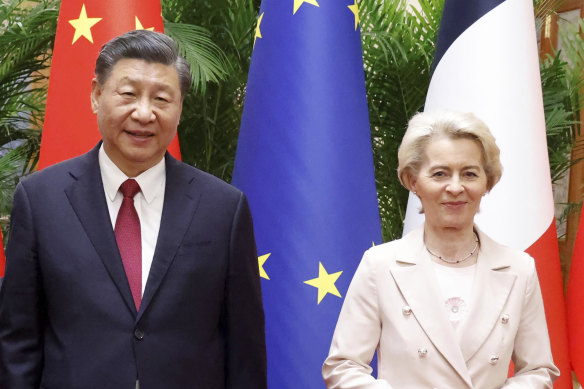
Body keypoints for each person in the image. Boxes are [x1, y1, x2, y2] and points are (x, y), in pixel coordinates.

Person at [0, 30, 267, 389]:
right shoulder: (40, 199)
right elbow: (17, 340)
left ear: (179, 108)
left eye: (161, 99)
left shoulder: (223, 208)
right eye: (128, 94)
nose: (144, 113)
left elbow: (244, 349)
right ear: (97, 95)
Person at [322, 110, 559, 388]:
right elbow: (344, 366)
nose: (456, 187)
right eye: (440, 174)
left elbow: (538, 370)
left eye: (469, 174)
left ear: (488, 182)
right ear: (413, 181)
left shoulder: (519, 269)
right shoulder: (380, 265)